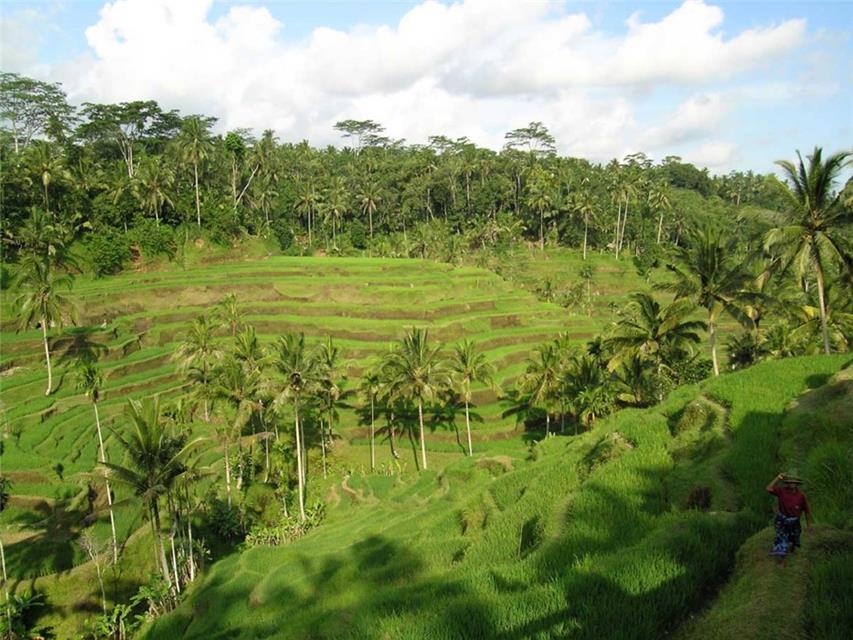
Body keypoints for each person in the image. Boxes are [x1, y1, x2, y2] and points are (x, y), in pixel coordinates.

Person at [766, 470, 812, 559]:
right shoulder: (781, 491)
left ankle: (793, 547)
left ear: (797, 484)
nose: (792, 484)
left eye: (794, 482)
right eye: (790, 482)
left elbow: (807, 511)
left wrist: (809, 525)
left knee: (794, 539)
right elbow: (769, 488)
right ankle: (782, 560)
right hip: (782, 520)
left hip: (794, 521)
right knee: (782, 540)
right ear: (787, 483)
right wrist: (778, 478)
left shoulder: (801, 496)